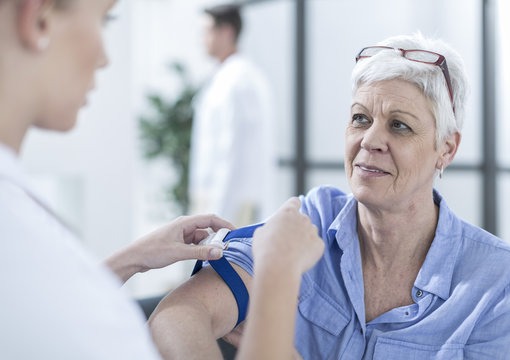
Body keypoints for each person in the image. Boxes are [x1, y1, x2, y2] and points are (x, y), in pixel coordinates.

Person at [148, 33, 510, 359]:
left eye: (399, 126)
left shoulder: (499, 283)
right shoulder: (308, 220)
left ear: (446, 149)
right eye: (360, 118)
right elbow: (177, 316)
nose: (369, 140)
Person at [0, 0, 323, 358]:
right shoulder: (19, 238)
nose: (106, 57)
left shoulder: (241, 80)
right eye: (104, 19)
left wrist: (133, 259)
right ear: (38, 18)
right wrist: (276, 278)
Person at [189, 3, 275, 226]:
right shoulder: (225, 77)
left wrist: (217, 213)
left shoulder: (240, 81)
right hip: (218, 199)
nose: (201, 39)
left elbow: (234, 153)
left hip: (233, 203)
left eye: (206, 31)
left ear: (227, 32)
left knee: (230, 258)